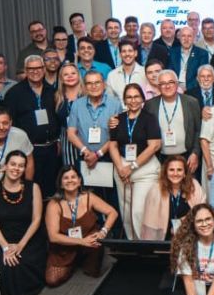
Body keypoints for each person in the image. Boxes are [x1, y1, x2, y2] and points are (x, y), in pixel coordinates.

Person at [0, 150, 46, 295]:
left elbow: (36, 219)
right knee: (4, 264)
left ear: (24, 169)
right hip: (1, 238)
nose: (16, 168)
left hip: (28, 238)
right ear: (5, 166)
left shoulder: (33, 187)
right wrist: (5, 247)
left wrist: (20, 245)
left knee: (23, 262)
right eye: (13, 164)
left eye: (21, 166)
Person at [44, 166, 117, 285]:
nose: (70, 180)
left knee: (93, 272)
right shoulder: (54, 205)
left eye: (73, 177)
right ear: (61, 184)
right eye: (66, 178)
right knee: (52, 280)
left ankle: (85, 260)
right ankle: (73, 262)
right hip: (65, 247)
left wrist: (103, 232)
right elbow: (53, 237)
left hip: (89, 242)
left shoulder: (89, 197)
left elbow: (112, 212)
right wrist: (82, 241)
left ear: (79, 181)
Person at [109, 83, 163, 239]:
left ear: (142, 99)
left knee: (139, 211)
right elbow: (112, 145)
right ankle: (132, 244)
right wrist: (120, 168)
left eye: (136, 97)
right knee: (126, 211)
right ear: (124, 100)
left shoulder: (149, 118)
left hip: (144, 169)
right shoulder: (117, 119)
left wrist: (131, 167)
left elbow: (154, 145)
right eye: (129, 97)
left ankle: (145, 245)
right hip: (122, 167)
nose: (133, 100)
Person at [4, 55, 60, 198]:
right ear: (25, 70)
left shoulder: (52, 90)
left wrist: (58, 139)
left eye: (38, 68)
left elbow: (58, 117)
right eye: (31, 68)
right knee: (33, 189)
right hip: (29, 150)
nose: (35, 71)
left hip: (52, 149)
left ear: (44, 69)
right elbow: (9, 123)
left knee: (53, 189)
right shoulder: (14, 93)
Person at [66, 70, 121, 204]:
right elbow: (71, 133)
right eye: (89, 83)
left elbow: (117, 135)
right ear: (84, 86)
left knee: (109, 199)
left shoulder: (115, 104)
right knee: (86, 199)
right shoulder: (77, 104)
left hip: (108, 156)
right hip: (85, 157)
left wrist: (98, 154)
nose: (94, 86)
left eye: (97, 82)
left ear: (104, 84)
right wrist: (86, 152)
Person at [144, 69, 202, 178]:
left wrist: (195, 153)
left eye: (171, 82)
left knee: (187, 187)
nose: (167, 86)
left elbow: (198, 130)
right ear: (158, 86)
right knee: (163, 187)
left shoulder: (191, 102)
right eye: (163, 83)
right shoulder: (150, 105)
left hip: (187, 157)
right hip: (160, 158)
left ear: (177, 84)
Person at [140, 156, 207, 240]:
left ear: (184, 173)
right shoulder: (155, 190)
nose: (175, 173)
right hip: (163, 240)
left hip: (191, 237)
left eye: (179, 170)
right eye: (171, 170)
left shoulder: (194, 186)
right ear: (166, 173)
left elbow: (202, 212)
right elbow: (149, 222)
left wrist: (182, 221)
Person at [54, 62, 84, 177]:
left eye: (73, 73)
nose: (70, 76)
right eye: (66, 74)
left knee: (88, 172)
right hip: (66, 140)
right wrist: (58, 140)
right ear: (61, 78)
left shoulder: (86, 94)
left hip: (85, 137)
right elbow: (56, 122)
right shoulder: (58, 97)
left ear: (78, 75)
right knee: (70, 172)